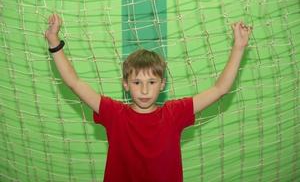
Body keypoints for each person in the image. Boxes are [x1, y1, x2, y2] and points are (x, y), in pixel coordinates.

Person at [45, 14, 252, 182]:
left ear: (162, 85)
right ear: (125, 84)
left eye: (151, 83)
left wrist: (239, 47)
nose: (144, 90)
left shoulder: (175, 113)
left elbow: (220, 89)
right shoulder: (113, 113)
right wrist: (54, 41)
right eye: (137, 83)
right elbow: (74, 83)